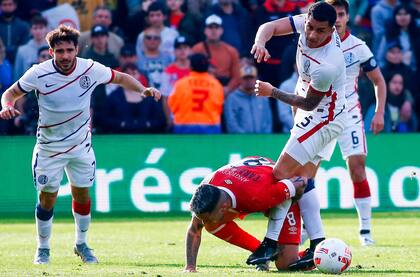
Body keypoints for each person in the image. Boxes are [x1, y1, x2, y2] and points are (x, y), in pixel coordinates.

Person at [0, 25, 161, 264]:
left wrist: (143, 89)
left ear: (77, 49)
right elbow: (10, 93)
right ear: (51, 51)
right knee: (47, 198)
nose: (64, 56)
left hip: (81, 146)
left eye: (69, 50)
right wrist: (6, 106)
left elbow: (121, 77)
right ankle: (43, 248)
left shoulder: (91, 68)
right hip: (49, 148)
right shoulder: (38, 73)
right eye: (59, 51)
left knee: (83, 194)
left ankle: (82, 244)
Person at [249, 2, 347, 270]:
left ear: (332, 30)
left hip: (323, 117)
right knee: (303, 181)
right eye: (311, 27)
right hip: (324, 112)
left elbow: (308, 104)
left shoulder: (329, 63)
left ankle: (269, 243)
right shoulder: (306, 21)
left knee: (281, 174)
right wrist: (260, 43)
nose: (313, 35)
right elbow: (268, 27)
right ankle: (317, 242)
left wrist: (272, 92)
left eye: (321, 31)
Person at [317, 0, 386, 247]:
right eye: (333, 14)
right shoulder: (315, 43)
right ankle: (307, 229)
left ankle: (365, 231)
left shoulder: (358, 47)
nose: (337, 19)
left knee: (357, 168)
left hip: (349, 114)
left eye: (341, 14)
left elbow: (378, 81)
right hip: (320, 114)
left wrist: (378, 113)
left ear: (347, 17)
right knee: (308, 174)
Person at [184, 156, 307, 272]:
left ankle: (317, 251)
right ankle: (261, 251)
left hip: (275, 191)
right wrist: (190, 267)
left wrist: (283, 212)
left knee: (285, 265)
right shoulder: (208, 189)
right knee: (211, 225)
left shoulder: (258, 196)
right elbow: (194, 230)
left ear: (224, 208)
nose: (204, 222)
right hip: (250, 183)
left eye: (208, 218)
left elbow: (300, 181)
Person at [168, 53, 224, 134]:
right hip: (210, 127)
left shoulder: (181, 84)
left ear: (191, 67)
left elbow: (172, 105)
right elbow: (219, 107)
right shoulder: (216, 85)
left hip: (184, 127)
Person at [191, 14, 241, 94]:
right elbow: (190, 72)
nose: (213, 31)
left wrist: (227, 89)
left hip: (225, 89)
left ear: (222, 30)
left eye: (217, 27)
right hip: (203, 88)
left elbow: (237, 76)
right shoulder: (197, 49)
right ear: (205, 30)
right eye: (210, 27)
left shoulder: (231, 51)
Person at [224, 64, 273, 133]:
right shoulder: (232, 98)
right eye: (245, 78)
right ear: (240, 79)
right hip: (240, 140)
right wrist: (243, 137)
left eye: (251, 77)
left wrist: (265, 137)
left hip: (262, 139)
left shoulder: (263, 97)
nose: (248, 80)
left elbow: (268, 121)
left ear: (256, 79)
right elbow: (231, 122)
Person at [13, 15, 48, 81]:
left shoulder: (52, 49)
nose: (38, 31)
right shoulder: (22, 50)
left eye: (41, 28)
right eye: (35, 28)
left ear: (46, 29)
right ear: (30, 30)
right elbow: (17, 74)